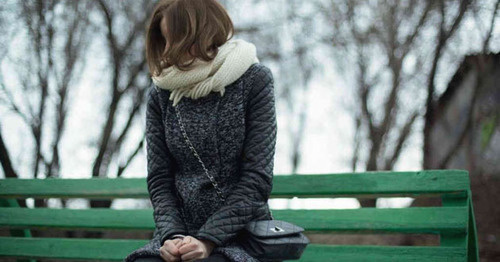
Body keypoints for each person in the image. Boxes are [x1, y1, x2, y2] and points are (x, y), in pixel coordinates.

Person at [124, 0, 277, 261]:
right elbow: (160, 180)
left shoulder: (254, 80)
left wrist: (207, 240)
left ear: (202, 32)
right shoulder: (161, 94)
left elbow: (256, 180)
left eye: (175, 39)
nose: (169, 50)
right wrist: (171, 235)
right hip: (180, 233)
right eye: (164, 40)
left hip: (240, 234)